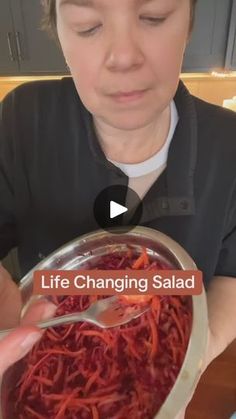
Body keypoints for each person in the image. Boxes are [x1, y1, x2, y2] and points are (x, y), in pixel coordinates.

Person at [0, 0, 236, 417]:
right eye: (88, 26)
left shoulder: (229, 143)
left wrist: (187, 365)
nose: (123, 57)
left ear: (190, 22)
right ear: (57, 29)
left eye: (154, 17)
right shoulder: (22, 120)